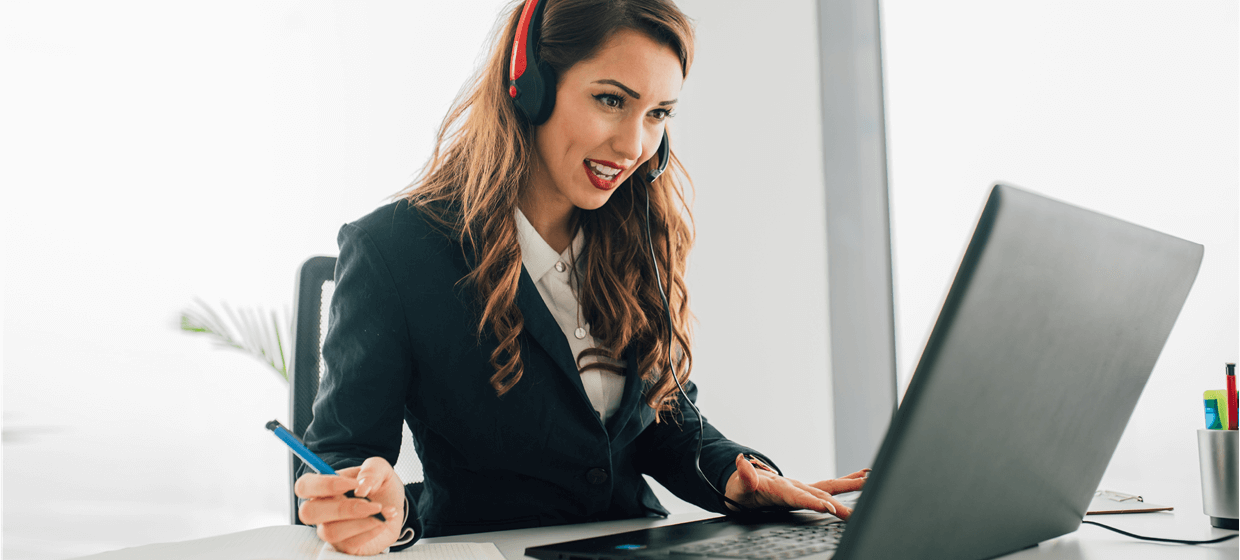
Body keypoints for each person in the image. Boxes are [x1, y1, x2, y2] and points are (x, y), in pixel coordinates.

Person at [293, 0, 867, 555]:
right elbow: (343, 457)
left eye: (658, 114)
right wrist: (369, 508)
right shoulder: (396, 249)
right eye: (612, 100)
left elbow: (662, 415)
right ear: (531, 87)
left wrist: (738, 476)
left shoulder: (634, 229)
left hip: (634, 547)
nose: (635, 146)